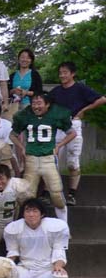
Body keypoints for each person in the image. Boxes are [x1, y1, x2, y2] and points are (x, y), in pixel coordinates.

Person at [10, 93, 76, 221]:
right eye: (34, 103)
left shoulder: (55, 115)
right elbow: (12, 135)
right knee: (26, 196)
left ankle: (64, 227)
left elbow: (72, 133)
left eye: (39, 103)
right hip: (31, 159)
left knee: (57, 195)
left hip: (48, 158)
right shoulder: (26, 115)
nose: (36, 106)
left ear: (47, 104)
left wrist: (59, 145)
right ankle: (26, 225)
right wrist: (22, 147)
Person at [49, 61, 106, 206]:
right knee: (52, 160)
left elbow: (102, 99)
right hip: (58, 126)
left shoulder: (80, 88)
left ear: (72, 74)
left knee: (72, 162)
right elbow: (45, 103)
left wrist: (83, 110)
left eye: (65, 72)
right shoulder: (56, 91)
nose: (62, 75)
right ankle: (49, 193)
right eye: (60, 73)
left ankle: (72, 194)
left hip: (73, 124)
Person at [8, 48, 43, 118]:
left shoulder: (35, 74)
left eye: (28, 58)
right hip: (13, 107)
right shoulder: (12, 75)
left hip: (29, 106)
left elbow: (39, 92)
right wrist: (13, 91)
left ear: (31, 60)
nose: (25, 60)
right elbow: (7, 91)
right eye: (23, 57)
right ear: (18, 59)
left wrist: (26, 92)